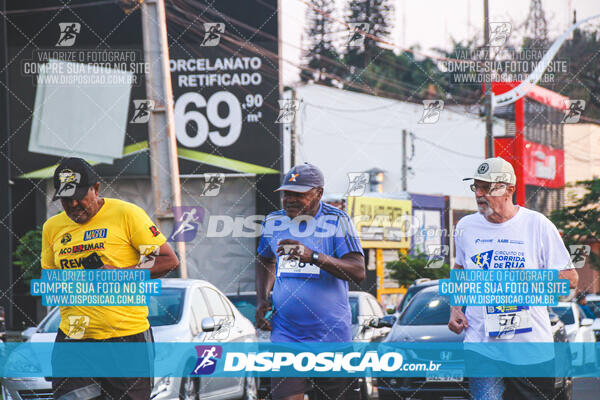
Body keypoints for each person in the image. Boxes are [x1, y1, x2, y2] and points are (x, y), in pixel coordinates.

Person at [41, 158, 179, 400]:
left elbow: (165, 260)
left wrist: (121, 275)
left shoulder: (126, 214)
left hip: (126, 339)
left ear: (96, 188)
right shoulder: (52, 228)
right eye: (65, 199)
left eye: (79, 196)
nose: (73, 204)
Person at [448, 157, 579, 400]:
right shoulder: (465, 226)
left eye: (487, 187)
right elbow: (460, 269)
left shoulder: (537, 225)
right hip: (482, 344)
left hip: (530, 348)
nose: (479, 194)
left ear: (509, 189)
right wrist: (455, 307)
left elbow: (570, 278)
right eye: (476, 186)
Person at [255, 163, 366, 400]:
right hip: (286, 335)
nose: (290, 200)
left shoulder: (337, 221)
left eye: (299, 194)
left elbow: (358, 271)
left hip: (331, 338)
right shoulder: (273, 221)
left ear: (319, 193)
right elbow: (265, 260)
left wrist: (313, 256)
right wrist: (262, 299)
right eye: (286, 194)